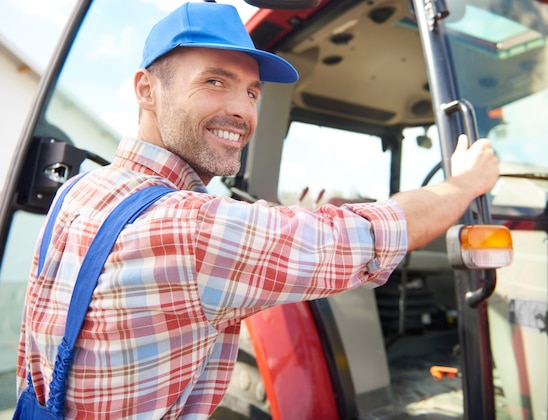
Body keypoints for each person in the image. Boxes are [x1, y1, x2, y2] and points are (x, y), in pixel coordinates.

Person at [16, 2, 499, 418]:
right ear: (146, 89)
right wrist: (463, 184)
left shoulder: (78, 192)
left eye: (251, 92)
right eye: (215, 81)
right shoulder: (191, 228)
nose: (243, 110)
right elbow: (378, 233)